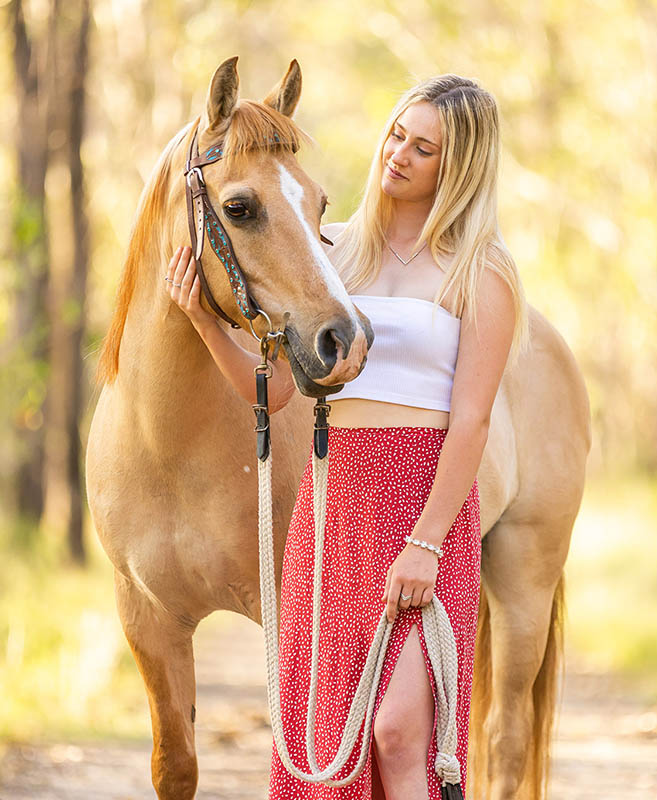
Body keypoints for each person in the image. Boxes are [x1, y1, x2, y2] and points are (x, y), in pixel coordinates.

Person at [166, 74, 527, 800]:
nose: (399, 154)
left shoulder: (481, 272)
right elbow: (273, 393)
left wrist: (426, 543)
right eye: (398, 133)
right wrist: (206, 324)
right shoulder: (333, 254)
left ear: (457, 168)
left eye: (424, 148)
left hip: (425, 502)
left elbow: (474, 420)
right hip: (336, 511)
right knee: (331, 739)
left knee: (399, 733)